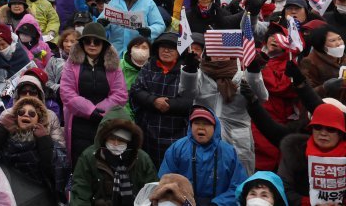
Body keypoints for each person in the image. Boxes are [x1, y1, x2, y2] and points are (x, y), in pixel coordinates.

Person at [60, 22, 129, 164]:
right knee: (80, 162)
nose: (92, 45)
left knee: (104, 163)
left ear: (103, 44)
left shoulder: (114, 66)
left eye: (97, 41)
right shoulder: (71, 63)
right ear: (82, 43)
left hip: (106, 122)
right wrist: (90, 111)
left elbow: (120, 94)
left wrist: (100, 111)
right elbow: (67, 92)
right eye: (87, 41)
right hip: (78, 122)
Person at [158, 106, 249, 206]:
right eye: (196, 123)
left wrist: (218, 203)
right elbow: (166, 181)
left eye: (206, 124)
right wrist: (182, 199)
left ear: (215, 128)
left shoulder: (229, 152)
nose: (201, 127)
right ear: (190, 126)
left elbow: (238, 186)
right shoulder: (177, 148)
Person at [69, 108, 157, 206]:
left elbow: (152, 193)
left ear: (129, 141)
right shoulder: (89, 156)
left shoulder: (142, 158)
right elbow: (80, 194)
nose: (115, 144)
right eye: (111, 138)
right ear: (104, 138)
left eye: (121, 140)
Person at [0, 96, 64, 205]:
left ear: (39, 120)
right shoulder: (4, 139)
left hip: (37, 199)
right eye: (21, 112)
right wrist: (1, 129)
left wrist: (44, 141)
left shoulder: (45, 141)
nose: (26, 114)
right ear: (16, 117)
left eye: (32, 113)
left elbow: (51, 172)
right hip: (7, 195)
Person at [129, 32, 193, 163]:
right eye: (163, 47)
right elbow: (136, 91)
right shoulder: (149, 67)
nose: (166, 50)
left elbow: (191, 99)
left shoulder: (187, 70)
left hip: (176, 131)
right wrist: (153, 101)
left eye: (172, 47)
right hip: (148, 130)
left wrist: (169, 104)